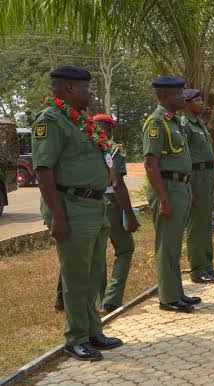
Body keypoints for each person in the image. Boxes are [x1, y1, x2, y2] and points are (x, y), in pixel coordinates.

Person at [34, 65, 123, 361]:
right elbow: (44, 171)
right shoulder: (50, 120)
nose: (90, 93)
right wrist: (58, 216)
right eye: (86, 88)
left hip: (95, 206)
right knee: (75, 277)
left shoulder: (81, 121)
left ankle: (92, 331)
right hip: (71, 207)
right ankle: (75, 338)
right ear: (69, 88)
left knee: (95, 273)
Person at [142, 76, 201, 313]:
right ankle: (167, 298)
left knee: (175, 245)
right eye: (178, 94)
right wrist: (164, 199)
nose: (182, 97)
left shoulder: (173, 122)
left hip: (180, 187)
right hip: (167, 188)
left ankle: (177, 293)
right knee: (167, 246)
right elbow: (150, 164)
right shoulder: (156, 123)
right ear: (164, 96)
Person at [94, 114, 140, 315]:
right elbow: (117, 184)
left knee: (98, 252)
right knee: (125, 248)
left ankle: (99, 300)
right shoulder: (113, 149)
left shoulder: (87, 147)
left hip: (91, 202)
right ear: (111, 130)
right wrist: (130, 214)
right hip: (110, 202)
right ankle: (110, 301)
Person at [182, 89, 214, 283]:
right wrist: (188, 187)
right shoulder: (185, 125)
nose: (202, 103)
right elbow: (183, 157)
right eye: (197, 100)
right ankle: (197, 269)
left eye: (201, 99)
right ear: (186, 103)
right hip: (195, 177)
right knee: (196, 225)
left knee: (206, 224)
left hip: (207, 176)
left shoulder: (199, 124)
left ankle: (208, 266)